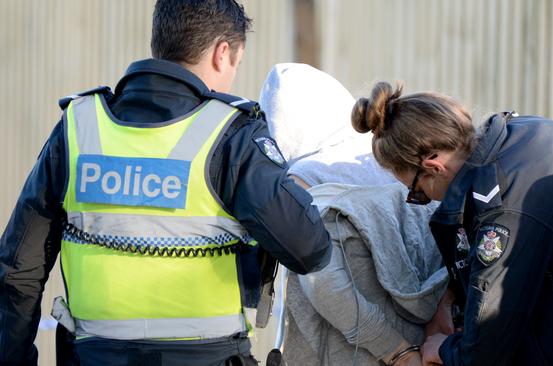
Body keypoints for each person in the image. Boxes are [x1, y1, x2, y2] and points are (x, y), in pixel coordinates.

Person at [0, 1, 331, 365]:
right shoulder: (233, 135)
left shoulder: (79, 127)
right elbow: (310, 250)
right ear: (223, 54)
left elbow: (17, 270)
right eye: (236, 63)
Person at [350, 81, 553, 366]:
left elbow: (485, 350)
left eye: (418, 193)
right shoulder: (529, 132)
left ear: (434, 166)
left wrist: (442, 348)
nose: (426, 199)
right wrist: (449, 298)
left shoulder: (501, 207)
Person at [259, 64, 449, 366]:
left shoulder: (303, 178)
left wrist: (395, 351)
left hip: (353, 351)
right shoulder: (395, 158)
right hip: (426, 342)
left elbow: (324, 282)